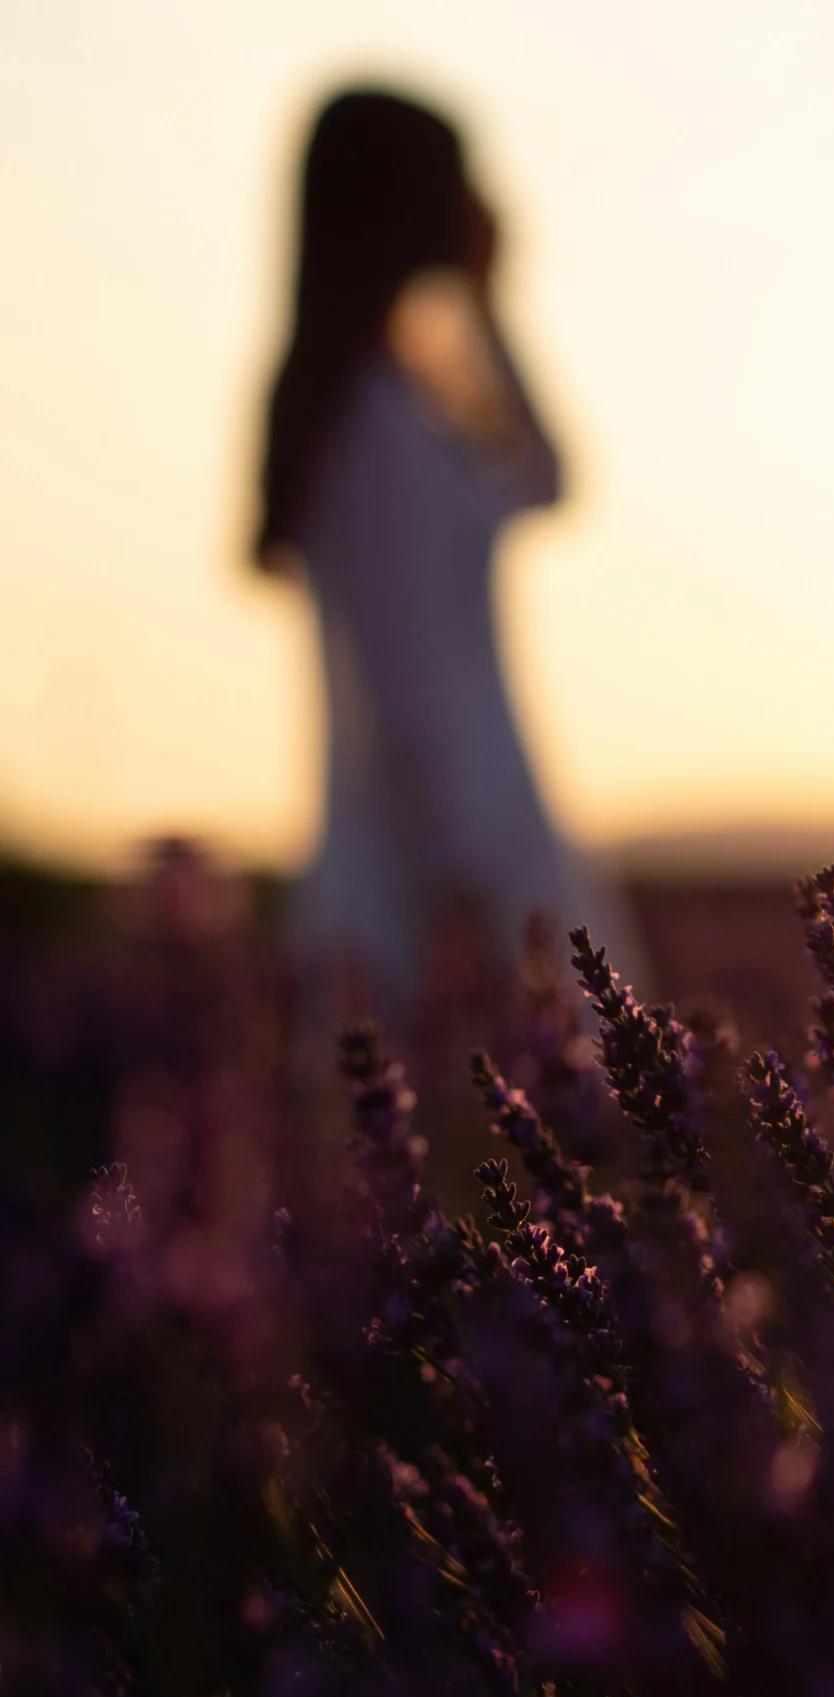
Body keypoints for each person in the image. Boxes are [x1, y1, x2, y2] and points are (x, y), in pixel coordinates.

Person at [253, 86, 634, 1023]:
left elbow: (545, 478)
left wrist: (489, 307)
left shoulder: (404, 393)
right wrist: (465, 891)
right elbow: (404, 687)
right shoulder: (374, 425)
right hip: (450, 875)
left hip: (468, 849)